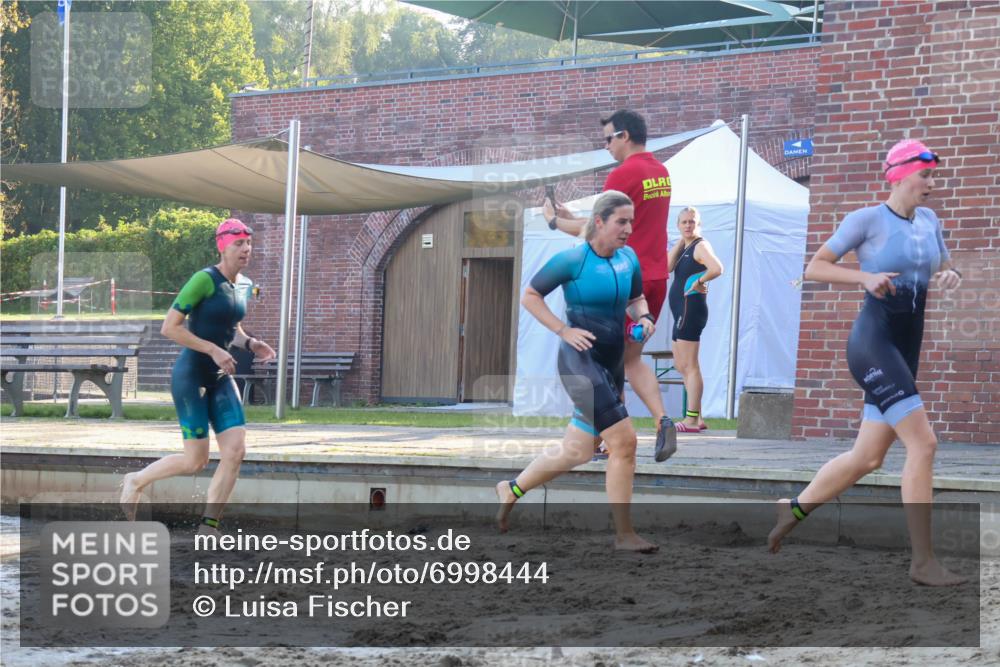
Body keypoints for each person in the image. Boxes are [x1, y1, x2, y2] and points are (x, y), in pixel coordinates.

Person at [767, 139, 965, 586]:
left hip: (903, 347)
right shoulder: (866, 220)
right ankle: (922, 563)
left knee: (867, 457)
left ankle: (793, 510)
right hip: (872, 345)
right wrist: (865, 275)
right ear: (898, 175)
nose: (931, 184)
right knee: (924, 444)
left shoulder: (930, 221)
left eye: (933, 176)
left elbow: (944, 265)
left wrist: (949, 274)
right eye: (925, 175)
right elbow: (814, 267)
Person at [496, 191, 658, 553]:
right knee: (624, 443)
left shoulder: (628, 258)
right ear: (599, 221)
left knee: (577, 450)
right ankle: (624, 534)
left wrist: (643, 317)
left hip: (612, 363)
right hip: (579, 362)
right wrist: (562, 330)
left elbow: (635, 300)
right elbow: (530, 295)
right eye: (622, 221)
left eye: (631, 221)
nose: (629, 229)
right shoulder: (572, 260)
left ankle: (512, 488)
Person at [120, 219, 275, 532]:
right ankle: (135, 481)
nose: (246, 249)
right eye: (238, 244)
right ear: (223, 246)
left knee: (235, 450)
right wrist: (212, 350)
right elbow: (170, 327)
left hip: (219, 377)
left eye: (248, 243)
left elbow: (230, 329)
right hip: (191, 375)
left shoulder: (244, 284)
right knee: (196, 461)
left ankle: (209, 525)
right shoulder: (203, 280)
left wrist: (251, 343)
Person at [544, 109, 676, 462]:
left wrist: (556, 222)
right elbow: (620, 222)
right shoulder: (660, 172)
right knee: (631, 358)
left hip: (623, 275)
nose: (606, 147)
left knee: (608, 360)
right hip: (656, 276)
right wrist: (576, 219)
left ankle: (606, 437)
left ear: (625, 136)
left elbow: (599, 230)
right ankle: (662, 419)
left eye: (608, 139)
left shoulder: (623, 174)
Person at [666, 207, 723, 432]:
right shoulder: (686, 246)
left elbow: (717, 268)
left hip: (691, 309)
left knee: (690, 366)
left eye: (692, 222)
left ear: (699, 224)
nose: (688, 225)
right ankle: (697, 417)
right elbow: (667, 267)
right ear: (678, 225)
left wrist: (699, 281)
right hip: (681, 309)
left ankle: (691, 420)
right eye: (684, 222)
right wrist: (680, 242)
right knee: (682, 365)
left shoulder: (701, 245)